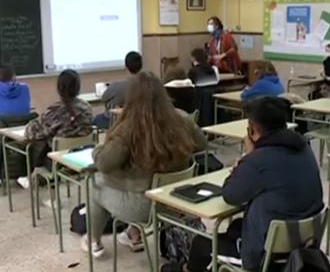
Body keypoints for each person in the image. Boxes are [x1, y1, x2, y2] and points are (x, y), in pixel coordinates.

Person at [162, 97, 323, 272]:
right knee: (234, 227)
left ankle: (185, 269)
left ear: (253, 131)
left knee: (201, 245)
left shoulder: (258, 160)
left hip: (264, 257)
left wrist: (248, 157)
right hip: (302, 243)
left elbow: (230, 194)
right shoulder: (304, 149)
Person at [81, 71, 207, 257]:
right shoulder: (180, 118)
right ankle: (133, 233)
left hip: (143, 207)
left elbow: (104, 163)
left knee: (95, 182)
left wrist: (99, 147)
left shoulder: (129, 128)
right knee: (140, 182)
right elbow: (202, 144)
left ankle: (93, 240)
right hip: (176, 200)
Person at [19, 69, 93, 193]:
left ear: (59, 88)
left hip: (59, 161)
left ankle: (34, 177)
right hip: (82, 157)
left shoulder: (55, 111)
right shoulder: (87, 108)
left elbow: (31, 132)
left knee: (38, 143)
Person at [94, 51, 142, 129]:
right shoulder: (147, 86)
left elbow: (103, 98)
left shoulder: (115, 87)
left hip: (115, 123)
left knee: (96, 120)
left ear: (126, 66)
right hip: (137, 123)